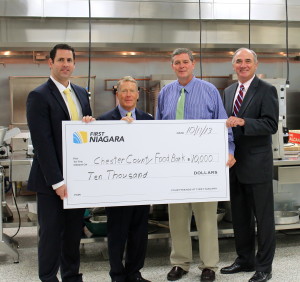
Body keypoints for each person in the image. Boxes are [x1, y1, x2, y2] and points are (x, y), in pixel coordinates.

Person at [156, 48, 235, 282]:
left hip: (203, 167)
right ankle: (180, 263)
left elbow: (223, 126)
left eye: (185, 62)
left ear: (193, 64)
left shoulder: (209, 91)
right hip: (175, 167)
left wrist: (229, 151)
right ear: (172, 66)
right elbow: (157, 130)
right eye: (177, 63)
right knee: (177, 218)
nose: (181, 66)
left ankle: (209, 265)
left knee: (206, 217)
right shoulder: (165, 93)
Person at [26, 44, 92, 282]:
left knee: (73, 234)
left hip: (77, 179)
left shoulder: (81, 93)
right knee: (51, 235)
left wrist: (89, 122)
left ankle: (71, 276)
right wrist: (57, 182)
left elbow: (85, 134)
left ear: (75, 64)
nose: (66, 64)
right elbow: (42, 143)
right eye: (61, 60)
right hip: (51, 181)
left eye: (69, 60)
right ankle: (48, 278)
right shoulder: (39, 95)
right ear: (50, 63)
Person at [84, 76, 152, 282]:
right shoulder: (104, 121)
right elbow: (93, 151)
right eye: (124, 91)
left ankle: (134, 273)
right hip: (116, 189)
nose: (128, 95)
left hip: (141, 187)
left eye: (132, 91)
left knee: (139, 234)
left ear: (138, 95)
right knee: (117, 233)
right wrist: (87, 126)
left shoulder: (148, 120)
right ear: (117, 94)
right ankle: (117, 275)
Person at [220, 48, 278, 282]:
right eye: (238, 61)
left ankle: (264, 266)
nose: (243, 65)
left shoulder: (267, 90)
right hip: (234, 164)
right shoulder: (228, 91)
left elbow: (270, 124)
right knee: (241, 217)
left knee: (263, 220)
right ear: (233, 66)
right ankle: (245, 259)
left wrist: (244, 122)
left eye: (247, 61)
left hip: (257, 165)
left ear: (255, 65)